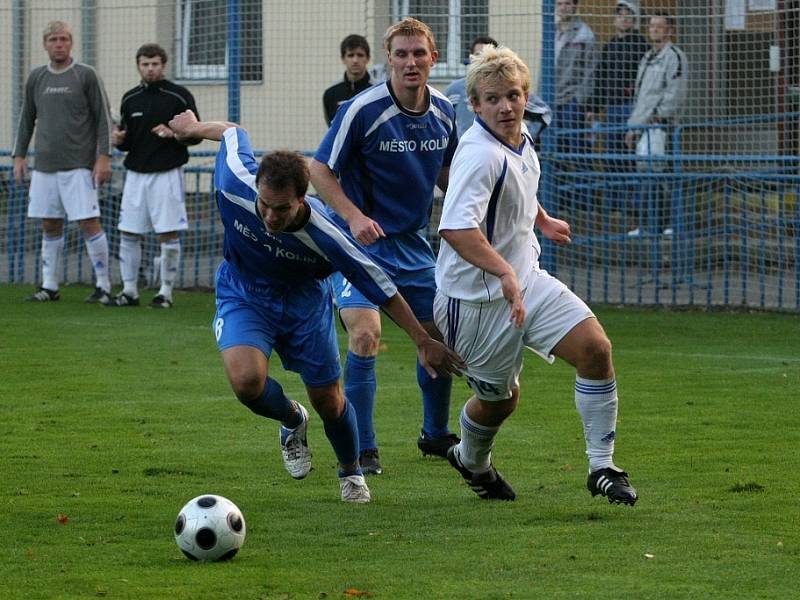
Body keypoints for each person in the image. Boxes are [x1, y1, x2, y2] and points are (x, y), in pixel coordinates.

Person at [167, 109, 463, 503]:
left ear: (301, 199)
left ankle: (351, 472)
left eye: (282, 209)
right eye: (265, 204)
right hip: (244, 292)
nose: (270, 216)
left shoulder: (328, 237)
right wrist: (191, 128)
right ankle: (292, 419)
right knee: (246, 383)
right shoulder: (234, 178)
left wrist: (422, 340)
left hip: (304, 305)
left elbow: (383, 289)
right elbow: (233, 132)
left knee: (330, 401)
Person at [434, 45, 638, 506]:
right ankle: (473, 461)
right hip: (473, 302)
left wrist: (540, 220)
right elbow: (455, 229)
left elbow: (516, 187)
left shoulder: (521, 137)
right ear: (475, 105)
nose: (505, 106)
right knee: (501, 402)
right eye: (492, 99)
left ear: (525, 96)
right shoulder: (478, 155)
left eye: (513, 95)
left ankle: (602, 466)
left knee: (596, 348)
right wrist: (504, 272)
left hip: (527, 280)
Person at [310, 18, 459, 476]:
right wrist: (354, 218)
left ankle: (434, 434)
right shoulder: (361, 108)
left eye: (419, 53)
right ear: (388, 59)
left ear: (433, 57)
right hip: (358, 246)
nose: (411, 62)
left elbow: (447, 175)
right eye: (401, 54)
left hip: (413, 244)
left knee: (439, 338)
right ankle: (364, 447)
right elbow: (319, 170)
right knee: (365, 334)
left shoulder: (446, 112)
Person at [12, 20, 113, 304]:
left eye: (64, 39)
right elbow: (26, 118)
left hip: (79, 166)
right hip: (44, 166)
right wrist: (19, 155)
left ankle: (104, 285)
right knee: (50, 224)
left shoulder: (86, 75)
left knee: (89, 222)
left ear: (71, 43)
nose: (59, 44)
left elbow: (103, 118)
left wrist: (103, 157)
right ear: (45, 44)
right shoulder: (37, 77)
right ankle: (49, 285)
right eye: (54, 39)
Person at [110, 43, 200, 308]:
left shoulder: (179, 96)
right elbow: (127, 141)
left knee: (168, 233)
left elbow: (196, 134)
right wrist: (118, 140)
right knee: (128, 232)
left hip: (167, 173)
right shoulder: (129, 98)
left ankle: (165, 293)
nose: (150, 69)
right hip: (135, 175)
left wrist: (175, 134)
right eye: (145, 64)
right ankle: (129, 291)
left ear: (163, 65)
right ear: (138, 66)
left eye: (155, 64)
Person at [625, 13, 688, 236]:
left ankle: (669, 225)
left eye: (659, 26)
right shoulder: (648, 57)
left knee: (661, 176)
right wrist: (633, 127)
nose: (654, 30)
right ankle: (648, 225)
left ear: (669, 30)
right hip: (642, 127)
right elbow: (641, 98)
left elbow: (674, 94)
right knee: (645, 176)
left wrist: (656, 119)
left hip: (659, 127)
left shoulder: (674, 57)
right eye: (652, 26)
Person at [585, 2, 649, 165]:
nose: (624, 19)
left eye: (628, 16)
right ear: (615, 20)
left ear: (634, 20)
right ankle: (612, 191)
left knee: (630, 152)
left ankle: (630, 190)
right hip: (611, 108)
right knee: (611, 154)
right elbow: (600, 79)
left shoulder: (642, 45)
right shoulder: (609, 47)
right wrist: (594, 107)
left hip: (632, 108)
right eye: (620, 15)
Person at [554, 0, 598, 156]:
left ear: (575, 6)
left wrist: (579, 99)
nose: (563, 7)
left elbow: (591, 71)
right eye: (559, 4)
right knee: (555, 150)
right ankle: (561, 181)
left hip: (571, 100)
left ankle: (585, 180)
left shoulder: (584, 33)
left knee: (577, 150)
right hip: (552, 99)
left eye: (567, 3)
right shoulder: (551, 32)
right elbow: (545, 66)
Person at [444, 36, 498, 137]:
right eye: (478, 55)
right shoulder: (455, 90)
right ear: (471, 58)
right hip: (465, 151)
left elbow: (536, 111)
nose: (482, 60)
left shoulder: (506, 89)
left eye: (487, 56)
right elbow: (440, 119)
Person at [322, 34, 373, 126]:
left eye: (360, 55)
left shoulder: (378, 91)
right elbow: (332, 127)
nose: (355, 60)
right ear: (343, 59)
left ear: (368, 58)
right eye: (350, 55)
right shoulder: (331, 93)